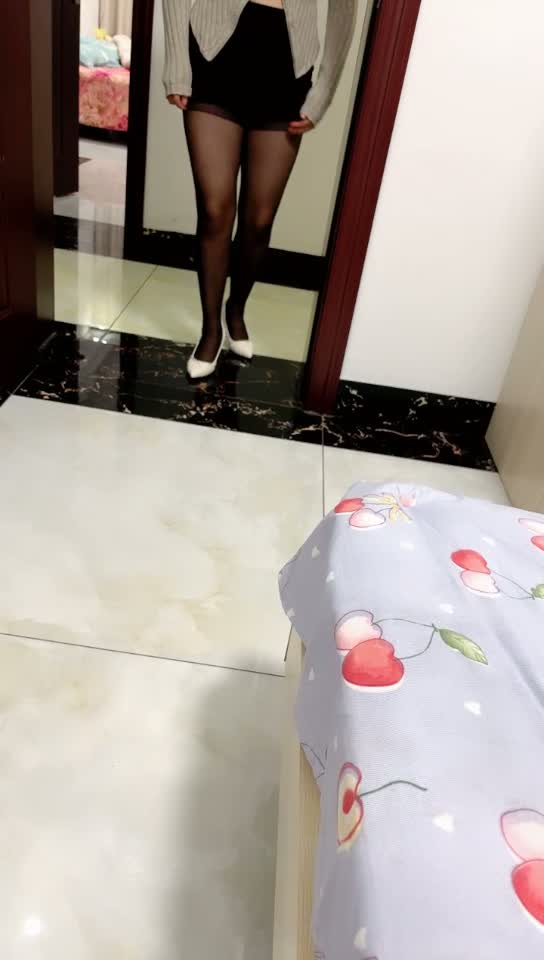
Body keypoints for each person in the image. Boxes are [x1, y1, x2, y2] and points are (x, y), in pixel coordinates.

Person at [163, 0, 355, 378]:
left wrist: (324, 90)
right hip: (214, 53)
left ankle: (235, 310)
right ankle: (211, 330)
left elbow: (345, 9)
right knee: (215, 210)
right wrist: (176, 63)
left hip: (287, 64)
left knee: (259, 219)